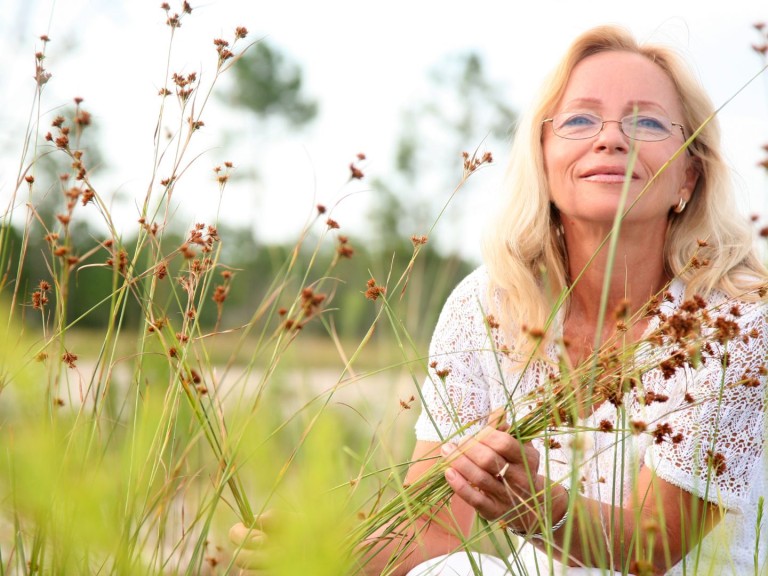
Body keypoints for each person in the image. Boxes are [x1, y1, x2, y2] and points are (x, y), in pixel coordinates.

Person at [230, 24, 768, 575]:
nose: (610, 139)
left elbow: (650, 551)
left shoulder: (739, 323)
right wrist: (316, 554)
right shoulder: (490, 304)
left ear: (688, 175)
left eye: (647, 121)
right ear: (543, 158)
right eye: (580, 119)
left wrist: (533, 506)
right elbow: (434, 531)